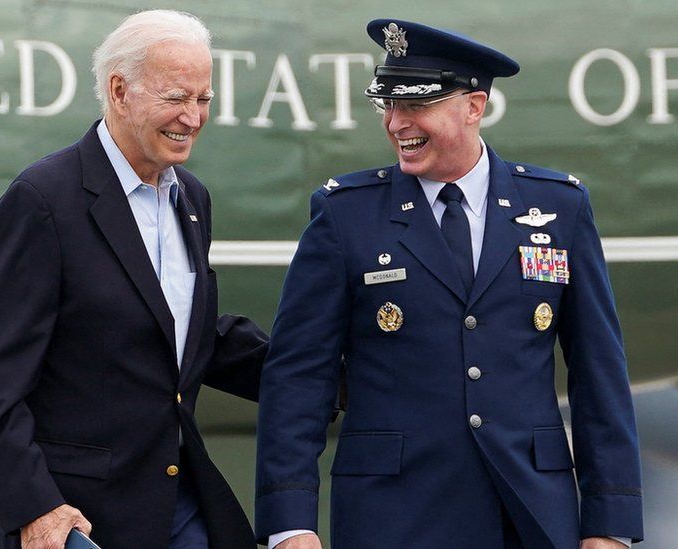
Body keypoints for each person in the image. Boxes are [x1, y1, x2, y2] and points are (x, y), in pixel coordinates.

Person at [255, 18, 643, 549]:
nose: (395, 124)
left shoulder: (558, 208)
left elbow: (599, 374)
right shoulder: (345, 215)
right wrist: (290, 523)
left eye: (414, 105)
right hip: (392, 516)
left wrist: (610, 524)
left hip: (529, 512)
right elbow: (298, 377)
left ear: (473, 107)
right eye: (387, 105)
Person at [0, 10, 267, 549]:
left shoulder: (191, 199)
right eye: (176, 97)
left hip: (175, 503)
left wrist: (322, 373)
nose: (192, 118)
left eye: (204, 99)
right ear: (120, 90)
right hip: (77, 519)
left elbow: (177, 333)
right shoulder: (42, 201)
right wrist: (36, 509)